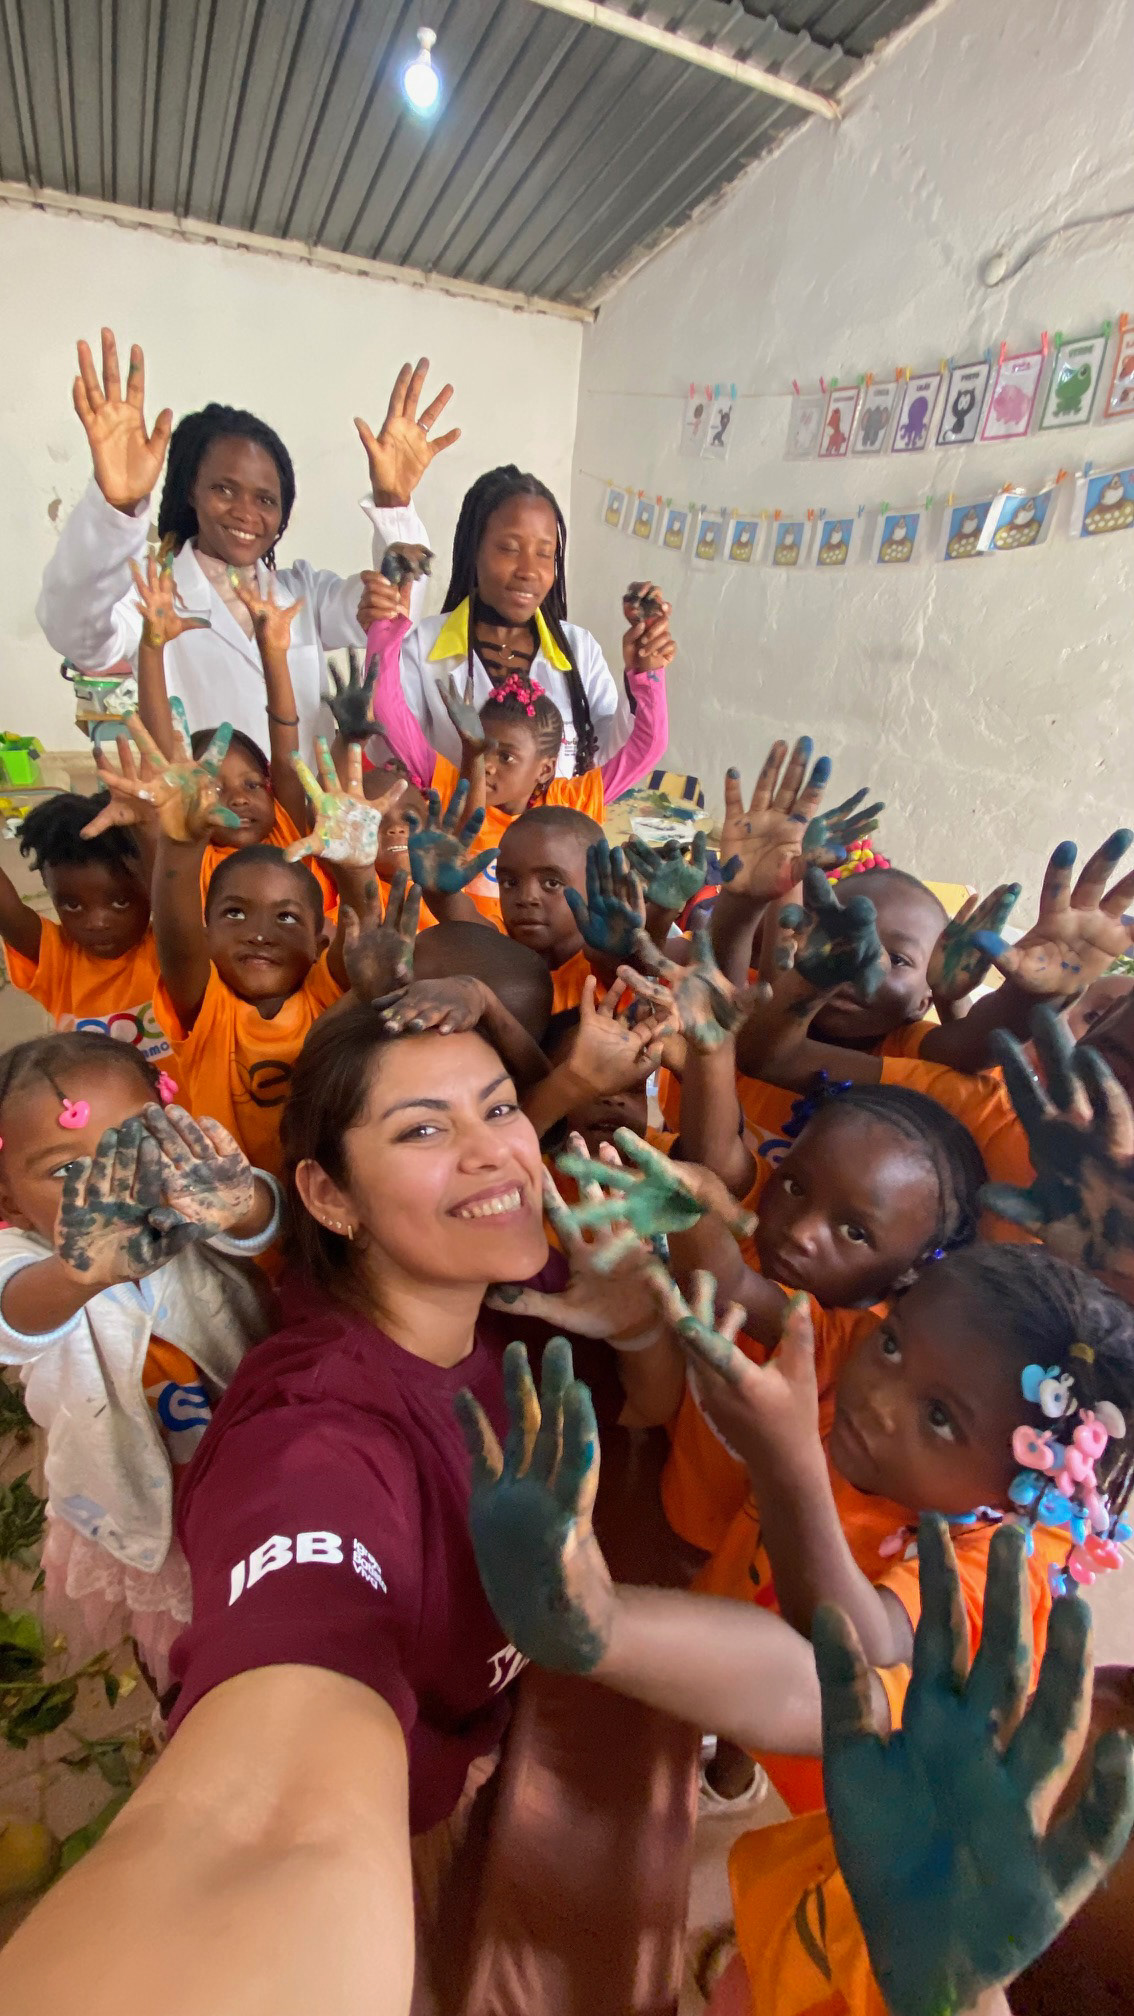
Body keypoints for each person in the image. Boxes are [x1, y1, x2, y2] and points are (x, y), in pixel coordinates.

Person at [0, 999, 683, 2016]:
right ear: (330, 1196)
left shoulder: (523, 1273)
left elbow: (650, 1405)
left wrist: (639, 1323)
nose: (492, 1152)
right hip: (400, 1786)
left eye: (500, 1108)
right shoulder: (313, 1433)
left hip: (480, 1711)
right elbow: (268, 1803)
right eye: (422, 1128)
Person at [459, 1309, 1134, 2016]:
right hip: (810, 1914)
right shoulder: (954, 1791)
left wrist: (955, 2003)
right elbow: (817, 1691)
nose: (880, 1396)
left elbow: (838, 1666)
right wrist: (605, 1626)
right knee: (764, 1959)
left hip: (836, 1944)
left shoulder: (990, 1573)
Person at [0, 1032, 279, 1687]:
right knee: (174, 1643)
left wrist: (239, 1204)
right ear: (9, 1202)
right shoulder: (27, 1261)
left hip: (261, 1471)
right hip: (139, 1513)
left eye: (136, 1146)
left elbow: (266, 1225)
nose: (114, 1185)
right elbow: (14, 1316)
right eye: (67, 1171)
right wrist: (80, 1273)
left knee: (273, 1611)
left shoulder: (190, 1209)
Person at [37, 336, 455, 759]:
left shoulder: (304, 594)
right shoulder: (153, 597)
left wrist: (394, 502)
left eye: (265, 500)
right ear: (191, 491)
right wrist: (117, 507)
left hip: (305, 803)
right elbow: (76, 633)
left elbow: (397, 612)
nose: (245, 513)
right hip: (201, 802)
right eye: (224, 489)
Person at [91, 717, 402, 1179]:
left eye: (286, 917)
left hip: (325, 1199)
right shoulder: (206, 1008)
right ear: (206, 933)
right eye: (235, 913)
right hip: (230, 1212)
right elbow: (174, 928)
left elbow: (362, 932)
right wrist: (179, 843)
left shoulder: (324, 993)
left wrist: (357, 870)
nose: (259, 933)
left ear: (320, 943)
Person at [358, 465, 675, 778]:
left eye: (544, 554)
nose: (529, 571)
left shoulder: (580, 650)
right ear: (474, 550)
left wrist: (644, 678)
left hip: (559, 812)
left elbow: (608, 755)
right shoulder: (423, 647)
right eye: (509, 549)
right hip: (453, 811)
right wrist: (382, 632)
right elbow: (389, 751)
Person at [0, 785, 170, 1062]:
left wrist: (150, 828)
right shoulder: (56, 961)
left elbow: (171, 890)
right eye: (72, 905)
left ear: (149, 885)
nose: (96, 922)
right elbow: (7, 911)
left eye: (120, 902)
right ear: (47, 886)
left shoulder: (172, 951)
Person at [495, 804, 607, 1023]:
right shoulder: (495, 943)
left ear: (599, 883)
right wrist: (443, 896)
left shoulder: (606, 966)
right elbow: (467, 925)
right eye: (510, 883)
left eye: (552, 883)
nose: (526, 897)